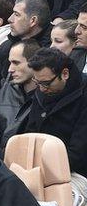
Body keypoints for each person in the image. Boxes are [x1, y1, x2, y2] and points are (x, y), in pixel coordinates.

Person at [20, 48, 87, 184]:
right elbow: (29, 135)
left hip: (74, 173)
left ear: (65, 74)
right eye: (37, 83)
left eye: (46, 83)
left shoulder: (83, 97)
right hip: (37, 168)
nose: (42, 89)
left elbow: (78, 153)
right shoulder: (41, 92)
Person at [0, 39, 40, 150]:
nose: (10, 69)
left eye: (16, 63)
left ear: (34, 62)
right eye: (10, 63)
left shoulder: (46, 97)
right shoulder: (6, 89)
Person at [0, 0, 52, 80]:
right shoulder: (5, 47)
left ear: (33, 20)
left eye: (16, 14)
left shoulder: (51, 50)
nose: (10, 19)